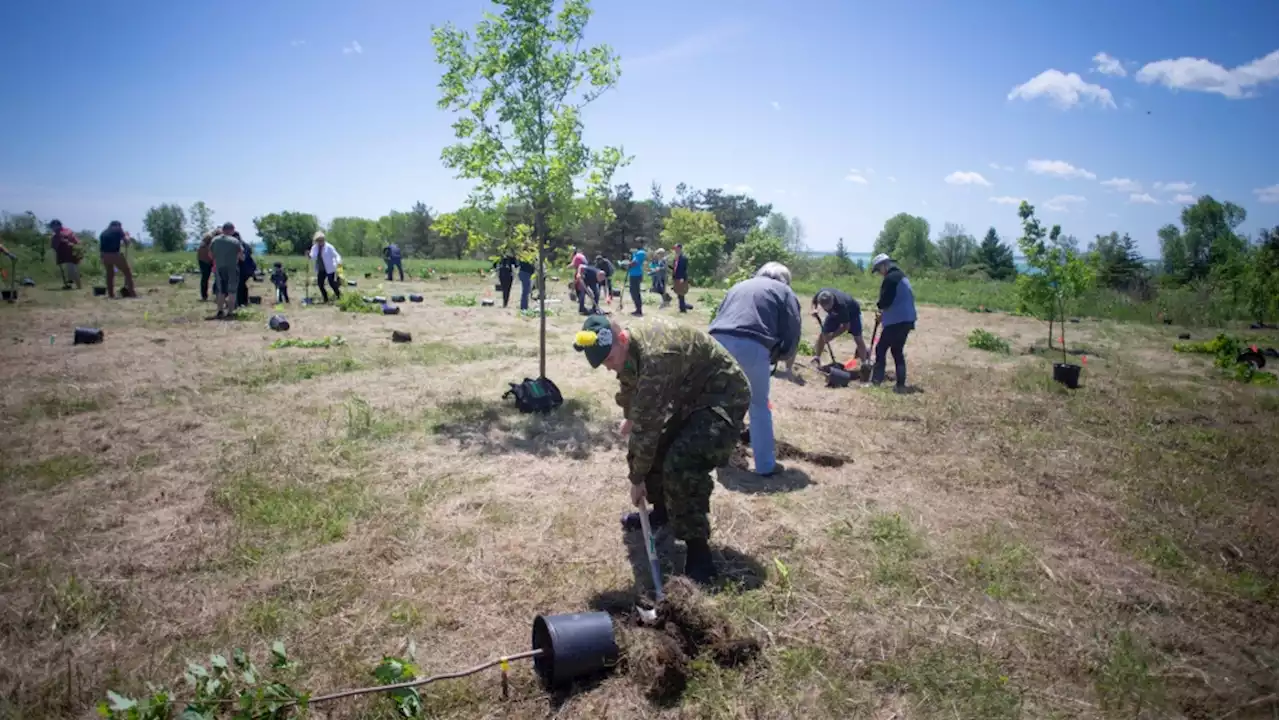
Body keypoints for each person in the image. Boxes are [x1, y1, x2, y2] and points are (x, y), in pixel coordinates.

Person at [573, 315, 750, 585]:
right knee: (657, 453)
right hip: (693, 396)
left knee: (682, 463)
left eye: (609, 359)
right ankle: (663, 512)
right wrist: (631, 416)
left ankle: (698, 552)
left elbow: (647, 429)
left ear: (622, 338)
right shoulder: (629, 349)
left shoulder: (657, 357)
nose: (609, 368)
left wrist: (636, 479)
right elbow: (631, 386)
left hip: (723, 395)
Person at [708, 262, 801, 477]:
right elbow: (792, 330)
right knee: (758, 406)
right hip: (751, 345)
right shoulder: (785, 292)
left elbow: (721, 315)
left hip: (716, 343)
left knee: (722, 403)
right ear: (784, 279)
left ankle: (719, 457)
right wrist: (783, 355)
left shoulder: (739, 285)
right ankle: (766, 466)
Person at [871, 253, 917, 392]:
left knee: (880, 349)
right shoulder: (901, 276)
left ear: (884, 265)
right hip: (907, 319)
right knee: (897, 351)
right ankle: (900, 384)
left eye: (879, 270)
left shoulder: (890, 279)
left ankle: (876, 380)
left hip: (897, 320)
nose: (879, 273)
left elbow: (885, 301)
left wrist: (880, 308)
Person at [811, 287, 868, 365]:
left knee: (858, 338)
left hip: (852, 313)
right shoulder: (822, 294)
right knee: (823, 334)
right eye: (824, 308)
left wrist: (832, 336)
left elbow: (846, 326)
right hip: (834, 313)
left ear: (832, 302)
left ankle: (864, 363)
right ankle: (817, 357)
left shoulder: (841, 306)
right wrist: (814, 309)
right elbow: (814, 301)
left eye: (827, 308)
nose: (826, 310)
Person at [210, 223, 243, 318]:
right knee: (232, 291)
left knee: (221, 290)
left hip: (219, 268)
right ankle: (230, 312)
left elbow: (211, 255)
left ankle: (220, 311)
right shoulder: (235, 241)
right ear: (232, 230)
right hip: (232, 268)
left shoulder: (215, 240)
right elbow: (242, 256)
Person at [98, 221, 136, 298]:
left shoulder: (103, 233)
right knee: (127, 272)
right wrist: (127, 235)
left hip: (104, 255)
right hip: (114, 254)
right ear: (117, 226)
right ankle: (132, 293)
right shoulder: (118, 230)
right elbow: (127, 242)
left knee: (110, 274)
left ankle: (111, 294)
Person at [308, 231, 343, 303]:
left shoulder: (329, 247)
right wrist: (309, 256)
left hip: (330, 268)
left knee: (331, 283)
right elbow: (313, 256)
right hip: (321, 268)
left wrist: (339, 263)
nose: (321, 242)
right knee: (320, 284)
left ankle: (339, 296)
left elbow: (336, 255)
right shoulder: (315, 247)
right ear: (316, 241)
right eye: (319, 240)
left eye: (322, 240)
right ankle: (325, 298)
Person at [48, 220, 81, 290]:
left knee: (72, 269)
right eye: (52, 227)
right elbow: (53, 245)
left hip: (71, 253)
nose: (53, 228)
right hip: (62, 254)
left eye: (54, 226)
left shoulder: (67, 231)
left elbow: (73, 240)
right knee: (66, 270)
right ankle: (69, 285)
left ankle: (78, 286)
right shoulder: (55, 235)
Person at [235, 231, 256, 308]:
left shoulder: (243, 246)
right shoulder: (242, 245)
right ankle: (243, 301)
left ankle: (242, 302)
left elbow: (244, 258)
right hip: (245, 267)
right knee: (241, 284)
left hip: (246, 268)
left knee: (240, 284)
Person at [627, 241, 647, 316]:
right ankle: (637, 308)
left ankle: (639, 309)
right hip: (632, 274)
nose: (636, 244)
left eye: (638, 243)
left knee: (635, 292)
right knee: (632, 291)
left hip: (636, 274)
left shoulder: (641, 253)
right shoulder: (636, 253)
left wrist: (628, 264)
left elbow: (635, 263)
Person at [197, 231, 215, 300]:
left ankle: (205, 294)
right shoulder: (208, 239)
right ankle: (204, 295)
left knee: (205, 278)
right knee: (205, 278)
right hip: (206, 261)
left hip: (205, 260)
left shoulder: (206, 241)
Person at [672, 244, 690, 313]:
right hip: (676, 277)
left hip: (681, 278)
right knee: (678, 292)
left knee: (681, 292)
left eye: (676, 248)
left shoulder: (683, 258)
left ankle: (683, 308)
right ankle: (682, 306)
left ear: (680, 248)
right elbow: (675, 268)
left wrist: (682, 277)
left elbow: (684, 269)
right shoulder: (676, 258)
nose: (675, 250)